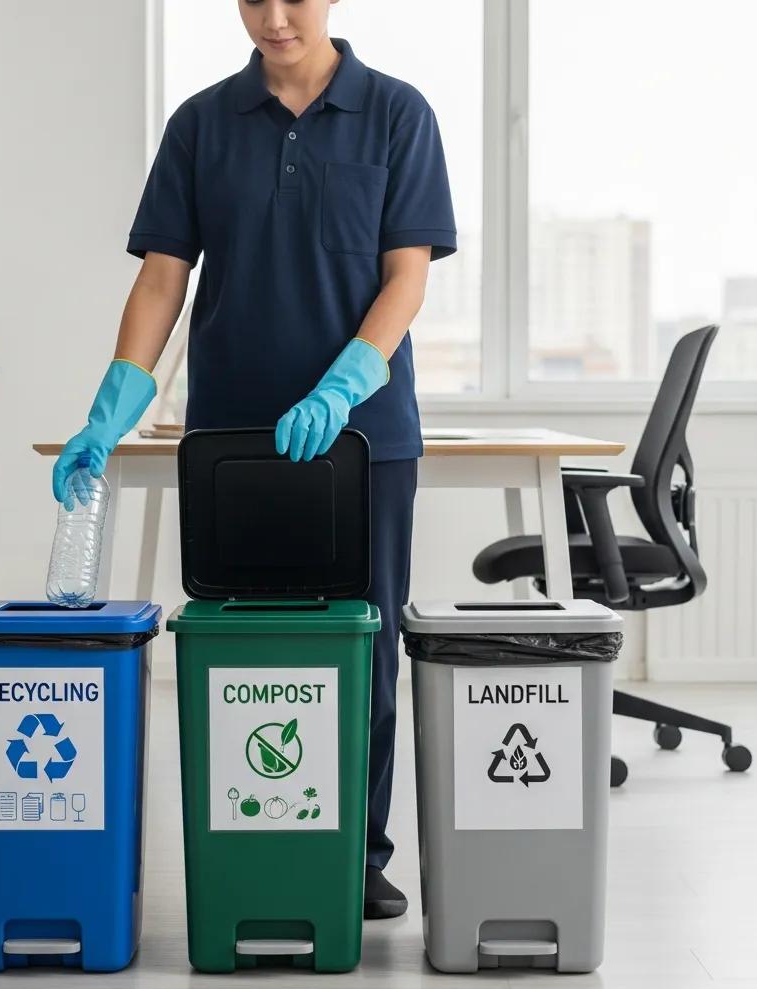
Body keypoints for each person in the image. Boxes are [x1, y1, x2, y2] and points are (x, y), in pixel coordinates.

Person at [53, 0, 455, 919]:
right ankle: (252, 840)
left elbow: (408, 274)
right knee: (242, 647)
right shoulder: (200, 124)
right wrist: (114, 404)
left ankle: (356, 853)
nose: (274, 17)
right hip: (233, 440)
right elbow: (163, 274)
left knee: (366, 646)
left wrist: (345, 383)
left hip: (364, 436)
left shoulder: (398, 113)